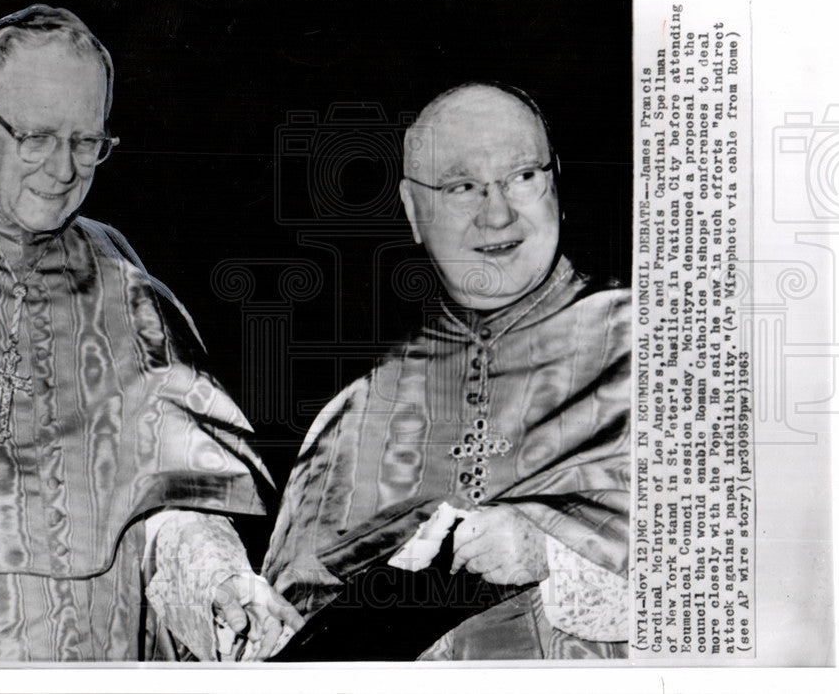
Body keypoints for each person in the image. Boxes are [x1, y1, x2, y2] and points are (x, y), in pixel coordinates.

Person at [0, 4, 302, 663]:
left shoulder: (122, 282)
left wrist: (218, 579)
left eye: (87, 142)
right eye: (37, 136)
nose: (63, 169)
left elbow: (167, 500)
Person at [263, 82, 630, 660]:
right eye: (463, 187)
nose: (499, 213)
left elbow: (755, 581)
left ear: (555, 183)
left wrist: (553, 556)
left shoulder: (664, 350)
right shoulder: (356, 417)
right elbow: (286, 638)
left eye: (523, 177)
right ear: (414, 211)